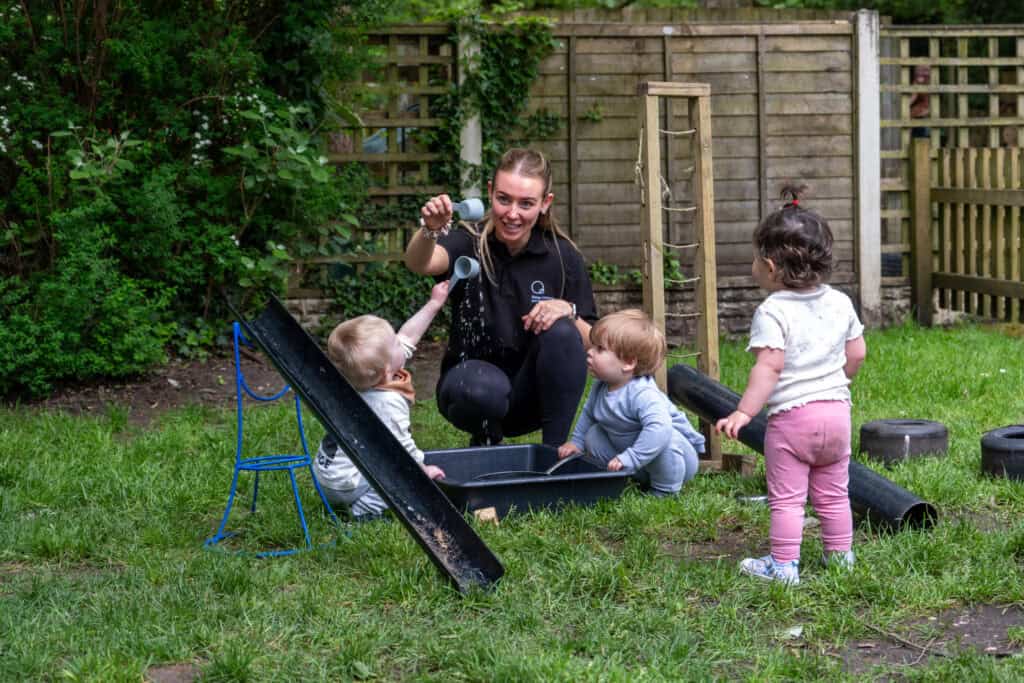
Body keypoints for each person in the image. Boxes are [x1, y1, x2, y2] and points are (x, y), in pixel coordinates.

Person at [715, 185, 867, 586]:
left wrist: (744, 412)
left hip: (792, 422)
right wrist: (838, 383)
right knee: (834, 493)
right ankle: (841, 560)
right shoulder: (840, 302)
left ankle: (783, 566)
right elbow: (857, 354)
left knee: (788, 499)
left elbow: (770, 366)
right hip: (836, 415)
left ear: (768, 265)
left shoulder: (772, 311)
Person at [404, 148, 598, 447]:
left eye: (526, 203)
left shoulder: (562, 256)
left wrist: (568, 312)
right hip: (469, 388)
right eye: (504, 199)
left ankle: (553, 454)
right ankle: (486, 441)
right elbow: (420, 263)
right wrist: (429, 229)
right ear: (490, 192)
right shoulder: (469, 240)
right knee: (481, 388)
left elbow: (594, 344)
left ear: (545, 203)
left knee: (562, 330)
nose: (512, 213)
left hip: (533, 397)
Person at [312, 281, 450, 521]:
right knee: (401, 478)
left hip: (329, 472)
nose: (400, 340)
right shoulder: (384, 402)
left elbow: (408, 336)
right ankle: (365, 509)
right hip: (346, 484)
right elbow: (402, 447)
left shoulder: (359, 380)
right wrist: (422, 471)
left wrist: (434, 304)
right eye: (395, 343)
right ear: (387, 370)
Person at [556, 309, 705, 497]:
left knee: (665, 438)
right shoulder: (601, 386)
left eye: (600, 349)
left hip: (677, 462)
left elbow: (660, 428)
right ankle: (624, 476)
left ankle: (665, 490)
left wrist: (632, 457)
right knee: (593, 436)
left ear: (627, 363)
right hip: (636, 459)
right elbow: (588, 413)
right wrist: (577, 442)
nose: (590, 352)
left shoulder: (642, 394)